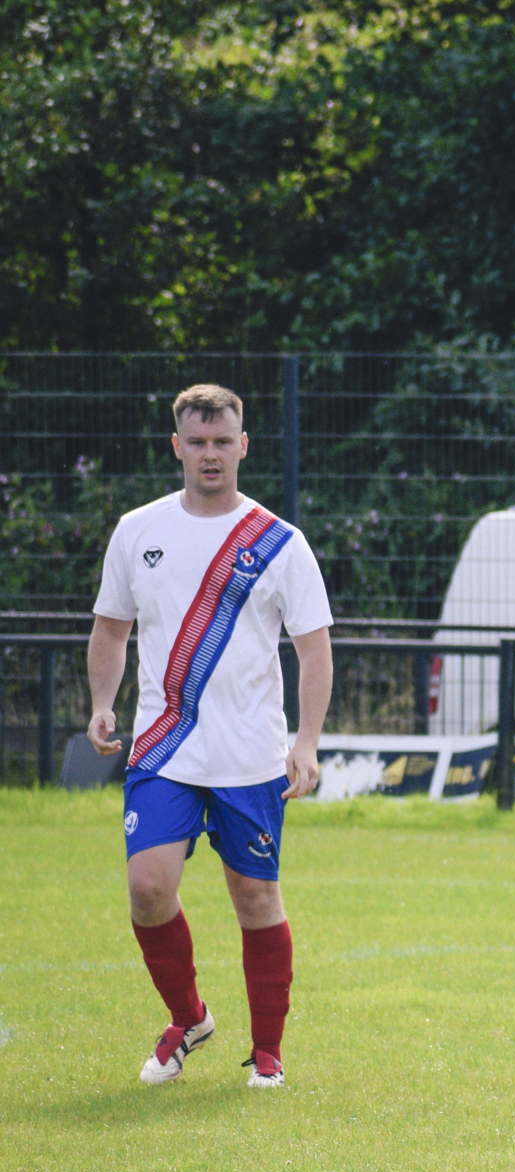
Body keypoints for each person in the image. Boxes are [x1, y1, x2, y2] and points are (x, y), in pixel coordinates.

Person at [87, 384, 332, 1090]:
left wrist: (307, 742)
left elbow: (314, 651)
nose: (211, 454)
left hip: (251, 753)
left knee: (255, 899)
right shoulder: (138, 530)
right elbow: (111, 627)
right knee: (147, 888)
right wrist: (104, 701)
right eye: (197, 442)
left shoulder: (279, 543)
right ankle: (189, 1018)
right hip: (163, 746)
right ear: (177, 447)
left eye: (223, 441)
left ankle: (268, 1053)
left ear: (243, 445)